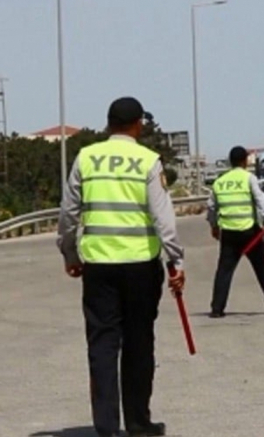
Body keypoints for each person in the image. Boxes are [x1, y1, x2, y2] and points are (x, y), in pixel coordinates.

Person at [56, 97, 185, 437]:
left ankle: (107, 427)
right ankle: (139, 423)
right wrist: (176, 261)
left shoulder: (87, 157)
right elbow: (163, 218)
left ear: (108, 123)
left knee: (102, 344)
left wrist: (70, 254)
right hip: (140, 265)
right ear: (139, 124)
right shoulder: (147, 160)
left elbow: (69, 213)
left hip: (98, 265)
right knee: (139, 343)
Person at [207, 146, 264, 318]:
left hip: (228, 233)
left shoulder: (220, 181)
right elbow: (260, 199)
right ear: (244, 161)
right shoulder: (248, 178)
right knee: (262, 269)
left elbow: (211, 207)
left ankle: (217, 308)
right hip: (249, 232)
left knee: (223, 271)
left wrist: (214, 226)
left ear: (230, 161)